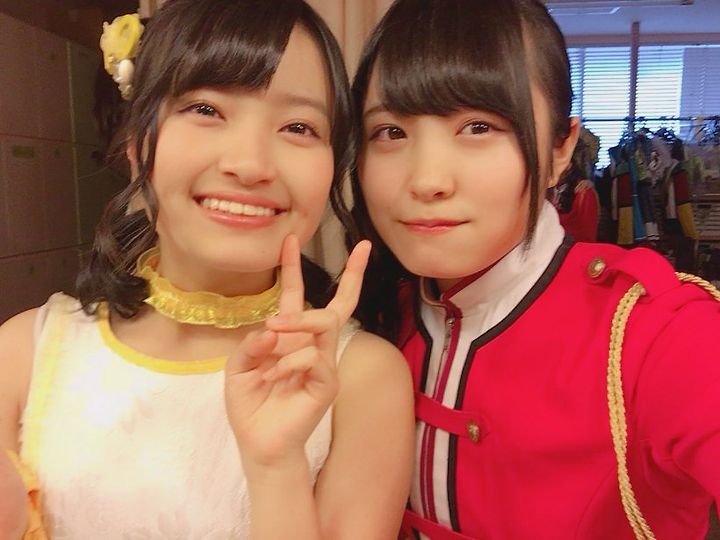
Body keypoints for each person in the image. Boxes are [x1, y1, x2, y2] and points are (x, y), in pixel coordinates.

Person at [0, 0, 414, 538]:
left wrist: (276, 467)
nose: (250, 165)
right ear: (135, 140)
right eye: (206, 110)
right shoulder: (25, 354)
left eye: (298, 126)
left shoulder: (361, 380)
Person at [348, 0, 720, 538]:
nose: (426, 180)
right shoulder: (381, 313)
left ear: (560, 148)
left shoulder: (655, 331)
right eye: (390, 132)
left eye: (478, 126)